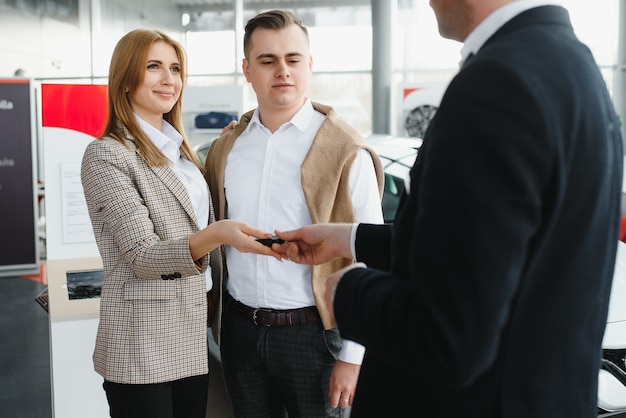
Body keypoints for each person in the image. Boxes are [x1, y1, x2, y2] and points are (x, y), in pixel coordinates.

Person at [275, 1, 624, 417]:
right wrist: (349, 238)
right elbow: (488, 251)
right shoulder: (569, 63)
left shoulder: (498, 82)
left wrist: (346, 291)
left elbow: (450, 334)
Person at [80, 28, 280, 418]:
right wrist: (218, 235)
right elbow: (143, 256)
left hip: (192, 328)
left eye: (175, 68)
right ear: (124, 80)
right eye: (153, 67)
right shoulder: (106, 155)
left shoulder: (182, 153)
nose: (168, 78)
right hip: (141, 338)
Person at [203, 9, 385, 418]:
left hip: (316, 338)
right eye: (268, 61)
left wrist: (353, 357)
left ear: (310, 65)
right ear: (247, 70)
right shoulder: (226, 149)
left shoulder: (345, 150)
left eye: (293, 59)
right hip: (239, 331)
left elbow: (369, 257)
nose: (282, 70)